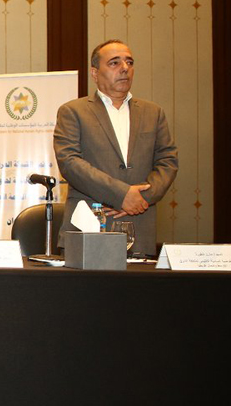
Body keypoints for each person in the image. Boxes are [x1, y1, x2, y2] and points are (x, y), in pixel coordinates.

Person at [53, 39, 178, 256]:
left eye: (129, 62)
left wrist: (141, 199)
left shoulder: (153, 113)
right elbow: (70, 163)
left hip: (140, 227)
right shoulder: (73, 111)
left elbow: (168, 161)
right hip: (89, 231)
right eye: (114, 63)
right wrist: (121, 195)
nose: (124, 68)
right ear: (94, 73)